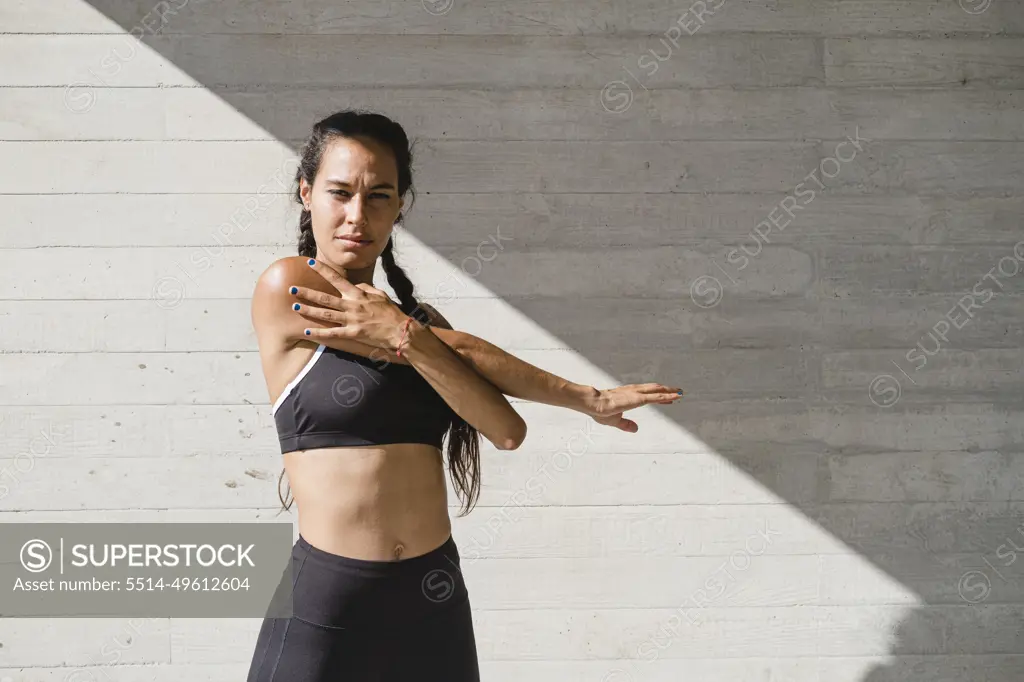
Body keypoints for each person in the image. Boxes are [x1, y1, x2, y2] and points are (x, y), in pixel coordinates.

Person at [246, 109, 684, 681]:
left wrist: (408, 334)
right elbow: (465, 353)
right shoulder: (289, 287)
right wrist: (586, 397)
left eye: (380, 195)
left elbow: (506, 430)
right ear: (306, 193)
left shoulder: (418, 327)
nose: (358, 215)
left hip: (432, 596)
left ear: (401, 204)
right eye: (339, 193)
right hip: (329, 600)